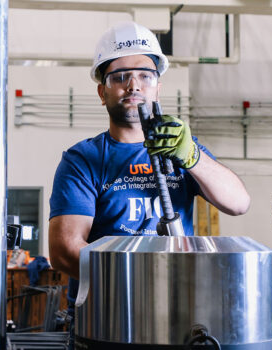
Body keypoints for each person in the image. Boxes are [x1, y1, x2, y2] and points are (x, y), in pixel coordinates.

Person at [47, 21, 250, 347]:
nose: (133, 85)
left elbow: (239, 203)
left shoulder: (184, 151)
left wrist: (192, 156)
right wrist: (147, 287)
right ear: (102, 92)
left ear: (158, 88)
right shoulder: (82, 160)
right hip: (106, 322)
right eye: (120, 77)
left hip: (177, 319)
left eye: (145, 75)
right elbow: (65, 250)